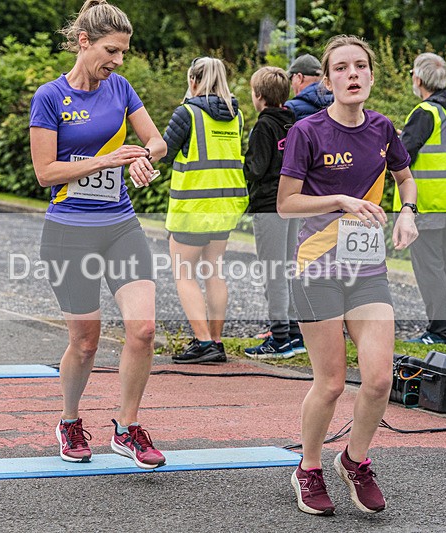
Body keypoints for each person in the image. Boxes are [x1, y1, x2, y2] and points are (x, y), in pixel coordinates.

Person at [277, 35, 419, 516]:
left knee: (379, 379)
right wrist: (340, 201)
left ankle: (354, 461)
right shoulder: (307, 131)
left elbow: (404, 177)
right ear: (328, 79)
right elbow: (286, 203)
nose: (352, 74)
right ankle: (309, 468)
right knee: (332, 382)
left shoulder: (383, 129)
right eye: (341, 68)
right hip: (316, 269)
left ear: (372, 76)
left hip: (367, 270)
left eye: (361, 66)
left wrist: (408, 212)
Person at [29, 0, 167, 469]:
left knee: (143, 330)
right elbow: (45, 173)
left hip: (120, 226)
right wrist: (106, 160)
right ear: (84, 43)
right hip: (69, 233)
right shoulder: (50, 97)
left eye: (124, 52)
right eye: (112, 50)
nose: (118, 61)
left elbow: (157, 139)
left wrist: (146, 155)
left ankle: (127, 428)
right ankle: (69, 420)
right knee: (86, 341)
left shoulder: (121, 88)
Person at [160, 57, 248, 364]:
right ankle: (217, 341)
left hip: (193, 206)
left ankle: (203, 341)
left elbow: (164, 153)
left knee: (184, 274)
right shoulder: (236, 117)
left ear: (193, 81)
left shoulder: (187, 113)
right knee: (214, 272)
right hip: (224, 206)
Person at [397, 53, 446, 345]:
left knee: (430, 269)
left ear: (418, 79)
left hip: (427, 204)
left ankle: (440, 331)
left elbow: (404, 156)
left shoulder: (425, 112)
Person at [242, 66, 304, 359]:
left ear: (258, 96)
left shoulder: (263, 126)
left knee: (273, 270)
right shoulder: (295, 124)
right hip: (294, 203)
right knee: (290, 267)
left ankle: (278, 337)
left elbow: (255, 168)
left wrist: (241, 163)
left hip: (269, 206)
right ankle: (293, 332)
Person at [284, 54, 334, 121]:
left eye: (291, 79)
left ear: (299, 77)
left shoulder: (291, 108)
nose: (291, 85)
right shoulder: (339, 101)